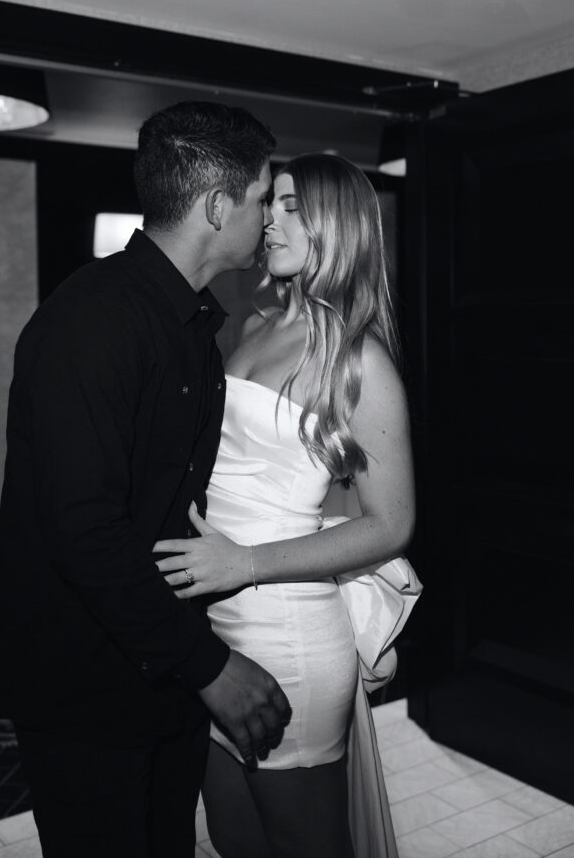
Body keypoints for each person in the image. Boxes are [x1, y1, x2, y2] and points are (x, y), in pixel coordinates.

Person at [0, 101, 292, 858]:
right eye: (260, 200)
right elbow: (84, 530)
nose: (268, 222)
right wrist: (210, 667)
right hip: (83, 684)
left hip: (160, 669)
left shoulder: (190, 324)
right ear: (219, 205)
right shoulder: (89, 323)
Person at [154, 153, 417, 858]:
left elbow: (391, 525)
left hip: (287, 635)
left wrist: (242, 561)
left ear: (336, 224)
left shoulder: (358, 361)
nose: (268, 217)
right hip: (214, 625)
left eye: (292, 205)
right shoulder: (251, 326)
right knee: (235, 839)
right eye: (270, 202)